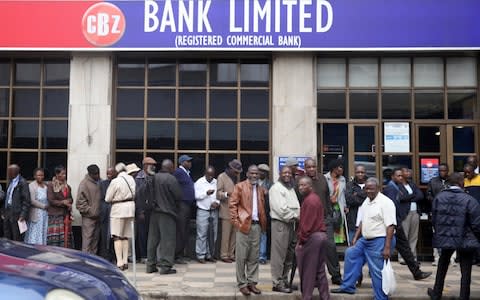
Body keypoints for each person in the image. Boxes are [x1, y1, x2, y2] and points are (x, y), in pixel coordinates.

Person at [331, 178, 396, 300]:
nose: (369, 191)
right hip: (365, 239)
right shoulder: (366, 201)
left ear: (378, 188)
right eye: (367, 188)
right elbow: (362, 221)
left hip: (381, 239)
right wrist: (355, 238)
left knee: (376, 269)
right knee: (351, 253)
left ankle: (380, 297)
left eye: (372, 188)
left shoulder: (386, 202)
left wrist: (387, 247)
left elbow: (391, 226)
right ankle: (348, 286)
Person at [428, 172, 480, 300]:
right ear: (461, 183)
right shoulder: (469, 200)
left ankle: (436, 293)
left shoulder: (439, 197)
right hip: (465, 237)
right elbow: (476, 223)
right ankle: (464, 296)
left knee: (442, 264)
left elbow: (434, 219)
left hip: (446, 236)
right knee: (466, 270)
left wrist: (439, 232)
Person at [383, 168, 431, 281]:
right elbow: (392, 207)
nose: (401, 178)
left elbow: (417, 196)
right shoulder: (391, 188)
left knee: (405, 249)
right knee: (390, 248)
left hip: (396, 223)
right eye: (398, 176)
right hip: (393, 223)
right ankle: (416, 272)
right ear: (393, 177)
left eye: (401, 176)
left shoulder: (397, 186)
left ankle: (416, 272)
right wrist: (396, 221)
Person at [230, 165, 267, 296]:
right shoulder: (240, 186)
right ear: (247, 174)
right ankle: (242, 284)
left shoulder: (261, 189)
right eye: (252, 173)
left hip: (257, 226)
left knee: (254, 256)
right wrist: (236, 223)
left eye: (256, 173)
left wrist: (263, 225)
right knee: (241, 256)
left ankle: (252, 282)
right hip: (243, 225)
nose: (254, 176)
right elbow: (232, 205)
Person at [303, 157, 342, 285]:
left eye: (313, 166)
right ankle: (313, 277)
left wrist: (330, 213)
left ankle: (336, 275)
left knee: (330, 247)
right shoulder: (301, 181)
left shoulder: (323, 179)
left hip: (325, 219)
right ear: (305, 168)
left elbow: (327, 198)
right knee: (312, 250)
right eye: (309, 167)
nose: (311, 169)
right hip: (309, 222)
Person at [146, 159, 182, 275]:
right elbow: (178, 195)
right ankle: (165, 266)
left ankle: (150, 265)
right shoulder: (171, 179)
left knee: (152, 240)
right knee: (168, 241)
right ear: (170, 168)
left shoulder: (154, 177)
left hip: (154, 212)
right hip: (167, 213)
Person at [296, 176, 330, 300]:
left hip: (312, 238)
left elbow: (306, 225)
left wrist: (301, 241)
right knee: (320, 270)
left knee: (308, 271)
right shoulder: (314, 198)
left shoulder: (310, 201)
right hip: (321, 237)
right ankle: (325, 296)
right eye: (299, 185)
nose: (300, 187)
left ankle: (307, 297)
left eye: (303, 185)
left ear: (310, 186)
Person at [269, 166, 300, 293]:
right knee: (279, 256)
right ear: (280, 174)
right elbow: (281, 209)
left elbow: (296, 206)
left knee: (289, 254)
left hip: (292, 224)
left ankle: (284, 280)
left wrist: (297, 215)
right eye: (284, 172)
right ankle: (277, 283)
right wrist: (295, 215)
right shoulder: (276, 188)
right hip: (281, 224)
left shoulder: (290, 188)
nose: (287, 175)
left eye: (289, 173)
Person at [105, 163, 138, 271]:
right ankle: (125, 260)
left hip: (118, 209)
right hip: (130, 208)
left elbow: (107, 198)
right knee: (126, 236)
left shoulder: (116, 181)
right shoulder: (132, 180)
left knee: (117, 236)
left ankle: (119, 262)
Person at [217, 159, 243, 263]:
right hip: (226, 210)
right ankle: (224, 255)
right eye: (236, 171)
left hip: (236, 210)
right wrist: (227, 194)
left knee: (234, 235)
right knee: (226, 235)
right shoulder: (221, 177)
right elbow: (218, 194)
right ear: (230, 169)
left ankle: (231, 254)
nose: (237, 173)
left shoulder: (236, 177)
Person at [397, 166, 423, 264]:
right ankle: (403, 257)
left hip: (415, 213)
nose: (409, 172)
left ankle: (412, 257)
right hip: (405, 213)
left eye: (409, 171)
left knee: (413, 236)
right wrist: (412, 196)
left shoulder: (412, 184)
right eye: (406, 171)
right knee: (404, 236)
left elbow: (420, 196)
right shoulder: (398, 186)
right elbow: (401, 198)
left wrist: (409, 197)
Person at [194, 166, 219, 263]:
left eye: (212, 175)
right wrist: (206, 193)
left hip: (214, 211)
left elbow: (218, 195)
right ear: (205, 174)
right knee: (202, 234)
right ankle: (201, 255)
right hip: (203, 210)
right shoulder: (199, 182)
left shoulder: (216, 182)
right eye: (209, 175)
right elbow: (196, 196)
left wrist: (217, 202)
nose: (210, 177)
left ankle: (210, 254)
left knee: (213, 234)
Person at [173, 154, 195, 264]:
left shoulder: (187, 173)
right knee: (181, 230)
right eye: (188, 161)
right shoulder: (178, 172)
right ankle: (177, 255)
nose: (190, 163)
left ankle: (181, 253)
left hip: (187, 205)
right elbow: (174, 186)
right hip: (181, 205)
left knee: (185, 230)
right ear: (182, 163)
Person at [426, 163, 449, 266]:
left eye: (444, 170)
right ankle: (437, 257)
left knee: (449, 235)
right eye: (440, 170)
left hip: (450, 213)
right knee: (436, 235)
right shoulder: (433, 181)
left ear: (447, 171)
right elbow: (428, 195)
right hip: (437, 212)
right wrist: (436, 201)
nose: (442, 172)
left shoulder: (451, 181)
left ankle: (451, 259)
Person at [135, 157, 157, 263]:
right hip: (142, 210)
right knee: (142, 234)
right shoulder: (139, 178)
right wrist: (140, 211)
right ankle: (143, 255)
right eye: (151, 165)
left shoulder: (153, 177)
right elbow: (138, 196)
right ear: (145, 166)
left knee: (150, 234)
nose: (153, 167)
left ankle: (150, 255)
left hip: (151, 210)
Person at [76, 164, 102, 254]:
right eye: (95, 174)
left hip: (98, 216)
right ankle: (85, 260)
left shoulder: (100, 181)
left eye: (98, 173)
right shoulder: (84, 183)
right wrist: (90, 210)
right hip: (88, 217)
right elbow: (79, 202)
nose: (97, 175)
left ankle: (93, 260)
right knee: (87, 240)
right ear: (90, 174)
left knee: (95, 241)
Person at [1, 164, 30, 241]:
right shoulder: (11, 182)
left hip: (17, 214)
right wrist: (3, 212)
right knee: (7, 235)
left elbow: (26, 200)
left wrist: (23, 215)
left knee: (16, 237)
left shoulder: (22, 183)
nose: (8, 173)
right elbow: (7, 197)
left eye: (9, 171)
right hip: (8, 212)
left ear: (14, 172)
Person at [47, 165, 73, 247]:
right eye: (63, 174)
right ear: (57, 175)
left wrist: (69, 202)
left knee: (65, 239)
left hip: (65, 215)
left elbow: (71, 198)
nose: (65, 175)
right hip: (55, 215)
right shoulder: (51, 185)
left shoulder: (67, 186)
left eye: (65, 174)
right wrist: (63, 202)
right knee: (55, 239)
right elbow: (51, 200)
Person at [324, 159, 347, 244]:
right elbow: (323, 193)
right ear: (334, 168)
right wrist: (329, 199)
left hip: (338, 205)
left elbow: (343, 194)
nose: (342, 169)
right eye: (340, 167)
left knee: (338, 223)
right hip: (328, 206)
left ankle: (337, 244)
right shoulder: (325, 178)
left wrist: (344, 206)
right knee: (329, 224)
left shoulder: (342, 179)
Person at [345, 164, 368, 245]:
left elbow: (372, 199)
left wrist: (356, 194)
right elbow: (349, 200)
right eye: (358, 172)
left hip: (368, 222)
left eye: (362, 172)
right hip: (353, 220)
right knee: (353, 246)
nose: (360, 174)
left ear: (365, 173)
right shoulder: (350, 185)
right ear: (355, 173)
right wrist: (364, 195)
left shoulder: (370, 184)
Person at [25, 168, 48, 245]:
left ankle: (43, 247)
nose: (40, 177)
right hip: (36, 212)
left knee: (43, 230)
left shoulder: (45, 185)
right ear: (35, 176)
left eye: (42, 175)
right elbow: (32, 201)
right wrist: (44, 206)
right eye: (38, 175)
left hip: (45, 213)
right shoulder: (31, 186)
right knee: (35, 231)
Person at [98, 167, 116, 261]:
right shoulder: (102, 183)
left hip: (114, 212)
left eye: (111, 173)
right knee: (105, 235)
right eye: (107, 173)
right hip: (105, 213)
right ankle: (105, 255)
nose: (109, 175)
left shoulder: (117, 182)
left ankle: (113, 255)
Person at [258, 163, 272, 264]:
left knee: (263, 234)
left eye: (264, 172)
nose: (261, 173)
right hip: (252, 213)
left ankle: (262, 256)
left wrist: (268, 193)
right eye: (260, 171)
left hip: (265, 213)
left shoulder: (270, 184)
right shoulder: (251, 183)